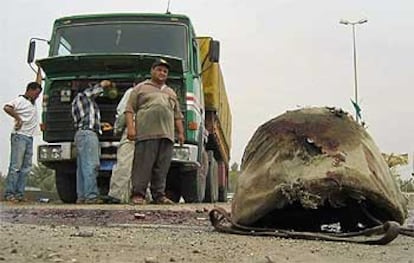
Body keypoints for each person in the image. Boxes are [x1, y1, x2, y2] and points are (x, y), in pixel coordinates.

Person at [125, 58, 185, 205]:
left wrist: (181, 133)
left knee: (162, 168)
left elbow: (177, 115)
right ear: (152, 71)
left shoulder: (171, 92)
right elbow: (129, 110)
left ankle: (159, 195)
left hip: (167, 135)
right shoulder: (140, 88)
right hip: (146, 134)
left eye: (165, 71)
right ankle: (138, 195)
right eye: (159, 70)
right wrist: (131, 129)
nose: (162, 73)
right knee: (143, 166)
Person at [71, 80, 112, 204]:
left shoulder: (80, 102)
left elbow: (86, 118)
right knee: (91, 165)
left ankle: (82, 196)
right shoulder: (83, 96)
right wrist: (104, 84)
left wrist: (100, 125)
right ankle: (91, 196)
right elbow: (93, 91)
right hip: (88, 134)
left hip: (81, 134)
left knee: (82, 167)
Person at [3, 82, 42, 202]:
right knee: (16, 166)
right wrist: (18, 118)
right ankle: (10, 193)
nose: (37, 96)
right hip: (20, 135)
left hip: (30, 136)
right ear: (30, 90)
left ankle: (19, 193)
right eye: (36, 93)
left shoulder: (32, 103)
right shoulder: (20, 100)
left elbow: (38, 81)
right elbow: (7, 107)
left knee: (26, 167)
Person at [105, 87, 135, 204]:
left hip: (131, 130)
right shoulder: (155, 92)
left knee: (124, 163)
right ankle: (139, 195)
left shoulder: (131, 91)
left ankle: (116, 195)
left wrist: (117, 129)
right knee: (142, 166)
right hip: (148, 132)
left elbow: (123, 112)